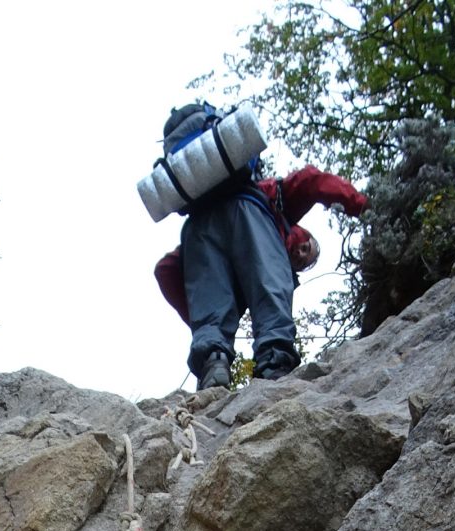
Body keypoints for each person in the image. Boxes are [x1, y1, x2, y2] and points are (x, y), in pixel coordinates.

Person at [153, 108, 368, 391]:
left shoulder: (255, 200)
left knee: (213, 304)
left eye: (305, 262)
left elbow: (166, 269)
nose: (303, 255)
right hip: (249, 213)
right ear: (299, 232)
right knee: (271, 290)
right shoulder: (274, 199)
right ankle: (275, 363)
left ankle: (212, 362)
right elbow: (312, 179)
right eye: (308, 247)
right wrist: (363, 206)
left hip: (198, 232)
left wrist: (202, 321)